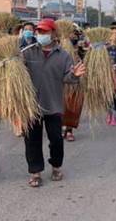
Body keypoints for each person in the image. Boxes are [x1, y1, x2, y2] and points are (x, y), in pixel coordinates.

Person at [23, 18, 86, 187]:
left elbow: (68, 78)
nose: (40, 34)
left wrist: (75, 75)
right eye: (39, 32)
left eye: (44, 32)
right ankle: (35, 172)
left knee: (56, 139)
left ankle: (56, 166)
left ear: (53, 34)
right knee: (32, 140)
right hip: (32, 105)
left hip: (54, 104)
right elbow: (17, 74)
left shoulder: (63, 55)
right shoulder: (27, 52)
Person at [62, 26, 89, 141]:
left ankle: (69, 130)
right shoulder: (59, 47)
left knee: (73, 107)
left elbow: (87, 61)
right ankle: (61, 127)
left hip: (77, 83)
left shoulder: (82, 48)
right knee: (61, 106)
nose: (72, 36)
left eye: (74, 34)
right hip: (62, 82)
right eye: (70, 34)